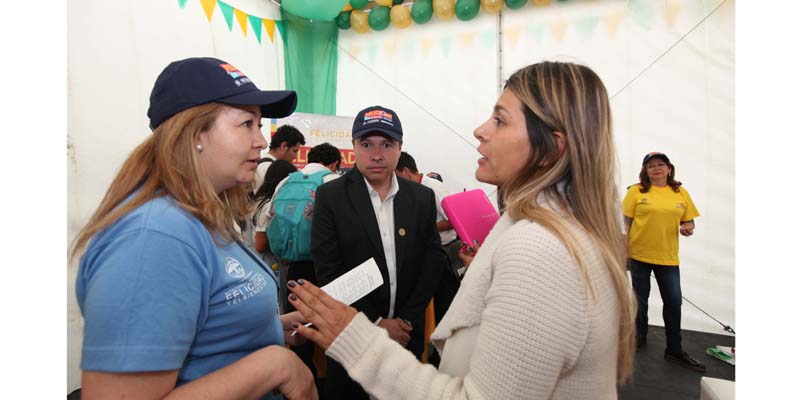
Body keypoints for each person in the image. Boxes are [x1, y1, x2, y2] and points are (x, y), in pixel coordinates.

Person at [287, 61, 637, 399]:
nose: (480, 130)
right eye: (367, 144)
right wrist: (489, 277)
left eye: (500, 120)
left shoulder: (538, 249)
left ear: (552, 148)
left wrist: (357, 336)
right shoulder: (543, 232)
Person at [70, 57, 318, 400]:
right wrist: (274, 365)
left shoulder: (200, 217)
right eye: (247, 124)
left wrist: (269, 329)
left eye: (259, 125)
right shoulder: (153, 239)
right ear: (195, 134)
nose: (261, 141)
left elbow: (203, 330)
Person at [310, 105, 447, 400]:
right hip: (351, 335)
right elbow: (329, 271)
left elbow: (432, 260)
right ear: (354, 148)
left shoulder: (422, 198)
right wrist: (375, 325)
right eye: (367, 144)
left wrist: (407, 320)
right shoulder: (331, 196)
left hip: (405, 336)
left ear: (400, 148)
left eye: (386, 144)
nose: (376, 154)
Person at [264, 142, 342, 378]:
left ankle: (299, 375)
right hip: (326, 265)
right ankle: (324, 379)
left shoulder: (286, 181)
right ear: (335, 163)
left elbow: (270, 219)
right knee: (328, 325)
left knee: (298, 327)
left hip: (292, 265)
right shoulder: (332, 181)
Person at [622, 151, 705, 372]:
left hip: (667, 257)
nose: (656, 168)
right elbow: (625, 226)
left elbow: (689, 221)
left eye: (660, 164)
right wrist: (624, 253)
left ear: (669, 168)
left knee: (674, 302)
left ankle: (674, 349)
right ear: (645, 171)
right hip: (639, 255)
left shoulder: (680, 193)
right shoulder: (636, 192)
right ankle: (639, 339)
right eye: (650, 166)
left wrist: (688, 228)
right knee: (640, 300)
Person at [395, 151, 461, 326]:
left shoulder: (434, 188)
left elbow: (455, 219)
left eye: (395, 176)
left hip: (444, 253)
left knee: (443, 303)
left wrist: (424, 228)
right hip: (423, 254)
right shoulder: (408, 191)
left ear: (405, 171)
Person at [252, 124, 306, 193]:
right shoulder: (270, 168)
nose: (295, 156)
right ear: (284, 146)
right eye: (294, 151)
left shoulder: (260, 165)